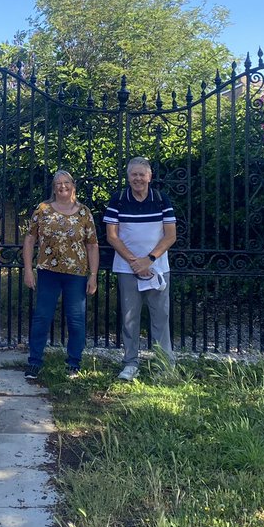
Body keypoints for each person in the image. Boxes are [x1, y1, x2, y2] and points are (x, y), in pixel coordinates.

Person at [103, 157, 177, 381]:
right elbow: (111, 236)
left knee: (160, 317)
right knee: (129, 317)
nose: (138, 179)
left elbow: (171, 235)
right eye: (134, 174)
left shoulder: (161, 199)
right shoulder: (118, 200)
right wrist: (135, 262)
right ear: (128, 177)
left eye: (142, 174)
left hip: (157, 268)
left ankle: (164, 366)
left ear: (150, 176)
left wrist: (149, 260)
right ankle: (130, 363)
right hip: (127, 268)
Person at [22, 170, 99, 380]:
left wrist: (93, 275)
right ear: (53, 187)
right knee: (42, 318)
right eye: (58, 183)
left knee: (76, 319)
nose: (62, 186)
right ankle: (35, 362)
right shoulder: (43, 209)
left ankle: (74, 363)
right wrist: (28, 269)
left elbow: (92, 245)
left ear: (73, 186)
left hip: (76, 274)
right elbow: (30, 239)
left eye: (66, 183)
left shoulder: (84, 212)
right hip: (48, 272)